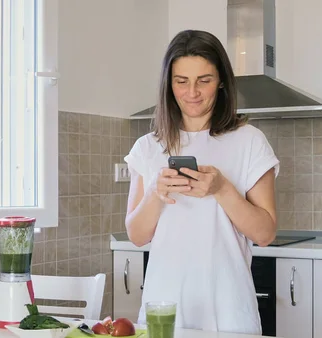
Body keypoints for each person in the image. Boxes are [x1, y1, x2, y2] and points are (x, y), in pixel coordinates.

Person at [123, 29, 279, 334]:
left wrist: (222, 189)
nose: (192, 92)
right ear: (169, 84)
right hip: (163, 308)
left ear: (221, 81)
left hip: (229, 308)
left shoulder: (250, 142)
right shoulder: (147, 147)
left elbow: (265, 233)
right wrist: (155, 192)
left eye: (204, 80)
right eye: (181, 81)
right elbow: (137, 236)